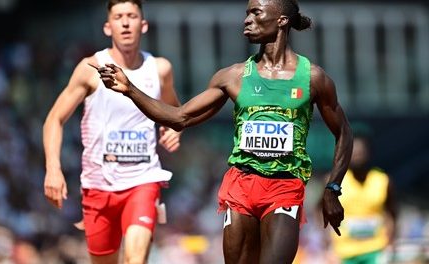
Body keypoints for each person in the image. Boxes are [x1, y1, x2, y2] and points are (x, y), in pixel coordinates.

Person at [93, 0, 353, 262]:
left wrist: (332, 189)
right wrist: (130, 90)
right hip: (240, 186)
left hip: (284, 186)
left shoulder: (313, 79)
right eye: (246, 13)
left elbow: (343, 132)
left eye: (256, 12)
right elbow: (179, 118)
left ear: (282, 20)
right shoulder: (233, 77)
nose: (247, 20)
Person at [42, 0, 182, 263]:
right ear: (108, 27)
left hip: (143, 180)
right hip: (98, 186)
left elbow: (175, 112)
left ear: (144, 25)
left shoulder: (160, 69)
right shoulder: (90, 69)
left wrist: (175, 129)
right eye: (118, 17)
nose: (126, 22)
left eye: (131, 16)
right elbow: (54, 119)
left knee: (135, 259)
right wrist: (53, 168)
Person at [329, 132, 398, 264]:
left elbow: (392, 213)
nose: (357, 156)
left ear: (369, 154)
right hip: (343, 252)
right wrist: (327, 246)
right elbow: (321, 212)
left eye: (361, 152)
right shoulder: (335, 181)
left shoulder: (383, 180)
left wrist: (390, 243)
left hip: (376, 249)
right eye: (353, 152)